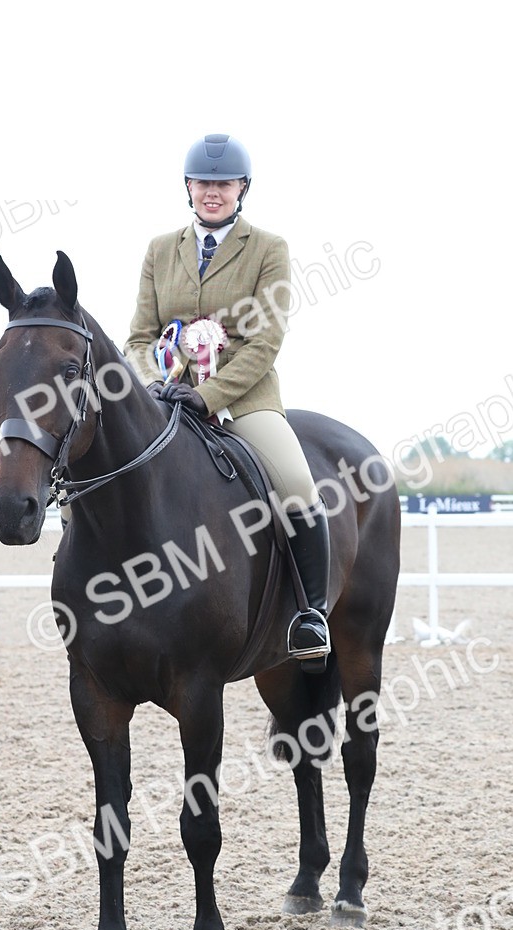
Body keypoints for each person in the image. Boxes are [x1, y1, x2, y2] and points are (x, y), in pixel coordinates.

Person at [124, 133, 331, 665]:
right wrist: (158, 384)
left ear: (242, 188)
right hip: (167, 398)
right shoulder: (158, 250)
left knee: (296, 483)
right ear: (188, 188)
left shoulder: (268, 249)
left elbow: (266, 340)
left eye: (223, 183)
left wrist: (210, 394)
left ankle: (312, 614)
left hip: (244, 399)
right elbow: (139, 338)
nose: (212, 192)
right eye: (203, 183)